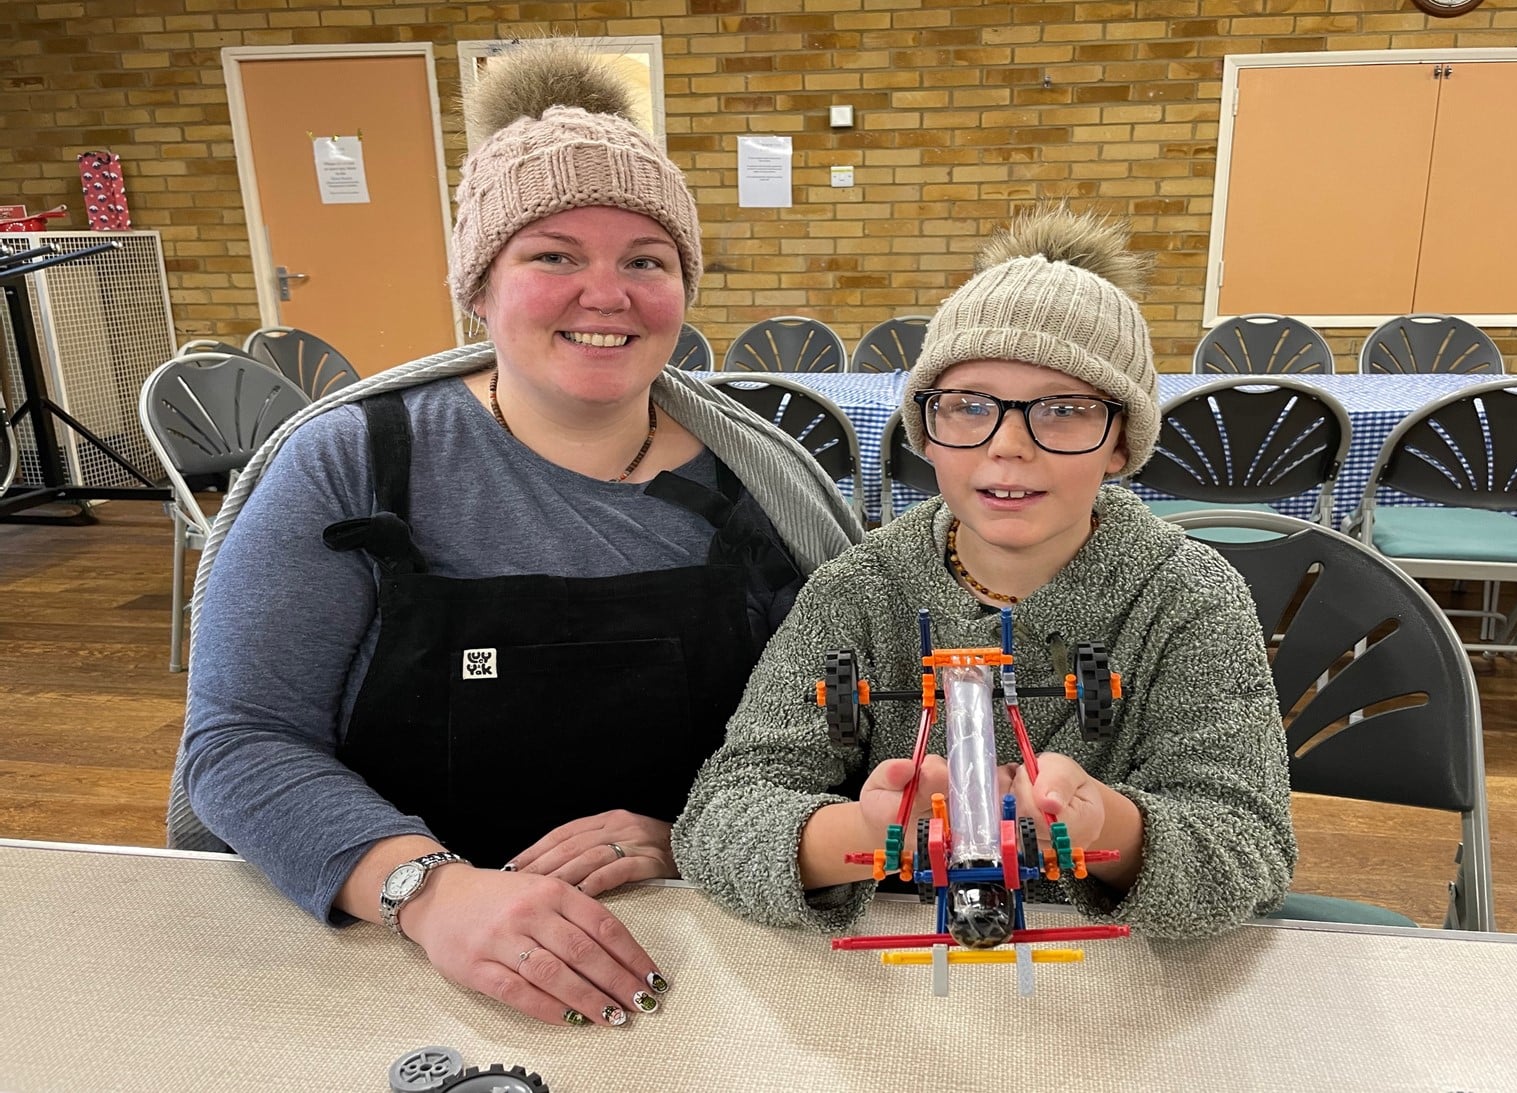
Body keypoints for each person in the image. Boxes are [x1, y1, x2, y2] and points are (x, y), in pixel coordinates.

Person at [170, 38, 862, 1029]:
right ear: (481, 286)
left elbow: (844, 733)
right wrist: (430, 890)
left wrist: (696, 835)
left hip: (705, 954)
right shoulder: (353, 461)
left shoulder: (761, 488)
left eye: (645, 260)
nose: (607, 292)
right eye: (553, 255)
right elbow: (241, 742)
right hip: (390, 959)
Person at [673, 207, 1295, 939]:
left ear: (1121, 441)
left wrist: (1108, 824)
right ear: (925, 431)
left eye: (1063, 410)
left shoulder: (1188, 597)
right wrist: (868, 830)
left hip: (1128, 984)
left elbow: (1249, 847)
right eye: (967, 407)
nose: (1007, 446)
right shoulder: (857, 591)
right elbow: (718, 817)